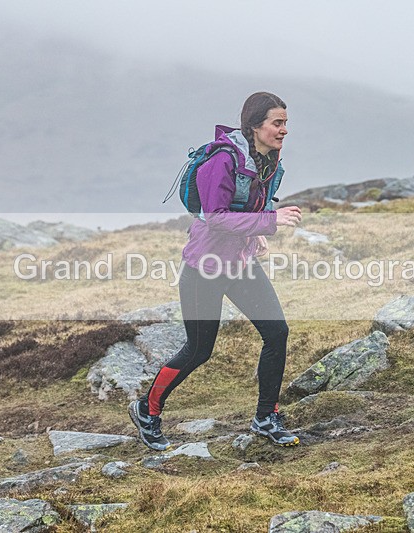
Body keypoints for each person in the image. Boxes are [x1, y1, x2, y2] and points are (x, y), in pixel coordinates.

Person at [129, 91, 303, 451]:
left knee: (277, 333)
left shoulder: (269, 159)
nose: (284, 130)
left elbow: (258, 201)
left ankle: (265, 417)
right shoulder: (222, 160)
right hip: (204, 267)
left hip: (241, 263)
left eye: (286, 122)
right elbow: (217, 217)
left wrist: (257, 233)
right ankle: (147, 410)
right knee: (198, 350)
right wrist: (270, 222)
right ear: (255, 126)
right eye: (277, 123)